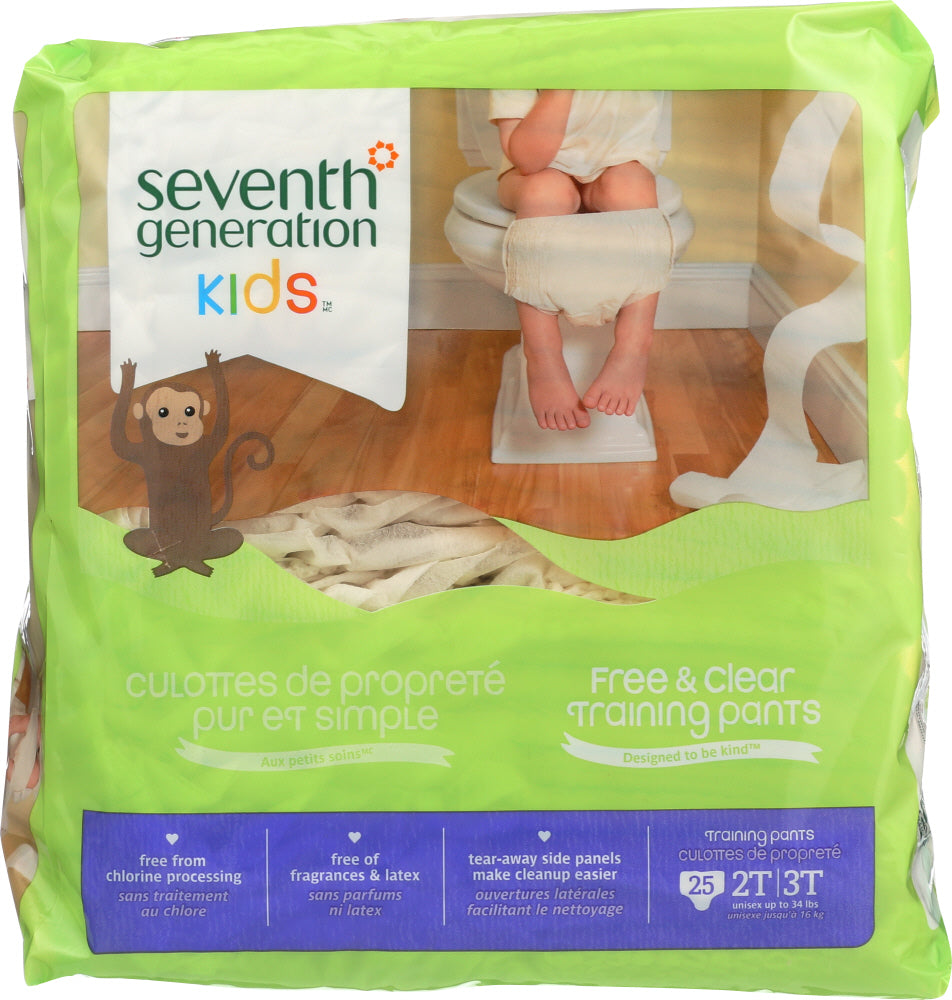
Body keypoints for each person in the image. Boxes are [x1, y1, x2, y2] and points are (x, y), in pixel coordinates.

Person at [492, 89, 666, 431]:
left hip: (619, 165)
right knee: (546, 193)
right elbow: (528, 161)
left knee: (633, 189)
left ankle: (634, 345)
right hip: (532, 173)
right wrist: (561, 88)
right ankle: (542, 356)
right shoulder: (516, 63)